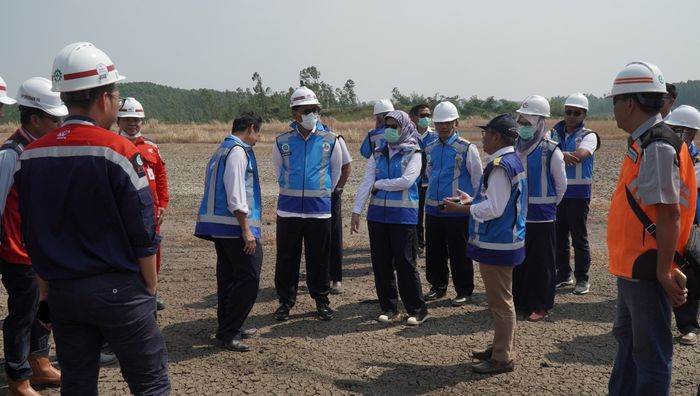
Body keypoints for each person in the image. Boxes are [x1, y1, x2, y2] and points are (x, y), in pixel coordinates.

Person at [17, 42, 170, 395]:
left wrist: (44, 292)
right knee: (150, 384)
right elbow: (143, 228)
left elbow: (32, 231)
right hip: (119, 289)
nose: (118, 104)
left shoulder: (32, 156)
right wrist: (150, 285)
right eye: (116, 96)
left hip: (63, 293)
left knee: (78, 383)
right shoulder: (119, 152)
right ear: (103, 99)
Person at [607, 61, 695, 396]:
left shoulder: (656, 145)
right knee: (629, 344)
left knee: (650, 355)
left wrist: (662, 272)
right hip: (634, 265)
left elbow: (670, 214)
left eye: (615, 99)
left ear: (629, 102)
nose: (614, 107)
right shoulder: (644, 140)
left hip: (646, 268)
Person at [442, 114, 526, 374]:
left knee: (500, 304)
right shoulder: (512, 161)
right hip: (504, 241)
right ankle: (501, 347)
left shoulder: (501, 165)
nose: (483, 138)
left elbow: (495, 208)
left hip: (498, 243)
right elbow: (495, 200)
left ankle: (502, 358)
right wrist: (471, 200)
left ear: (497, 136)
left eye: (486, 133)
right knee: (503, 301)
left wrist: (461, 209)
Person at [0, 77, 67, 395]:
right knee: (22, 314)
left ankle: (39, 362)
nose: (60, 123)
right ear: (35, 118)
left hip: (43, 251)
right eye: (56, 118)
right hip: (18, 253)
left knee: (44, 310)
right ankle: (18, 377)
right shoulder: (11, 154)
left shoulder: (42, 151)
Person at [351, 110, 429, 325]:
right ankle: (389, 307)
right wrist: (356, 211)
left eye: (394, 126)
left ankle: (417, 308)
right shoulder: (379, 152)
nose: (390, 130)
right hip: (378, 216)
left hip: (403, 217)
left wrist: (380, 184)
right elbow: (366, 181)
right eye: (387, 126)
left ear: (404, 127)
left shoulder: (414, 152)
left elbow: (406, 181)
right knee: (381, 263)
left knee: (405, 264)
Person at [195, 113, 264, 352]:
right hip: (234, 227)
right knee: (249, 277)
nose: (257, 138)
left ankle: (230, 325)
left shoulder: (221, 149)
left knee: (229, 278)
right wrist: (246, 229)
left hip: (220, 228)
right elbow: (236, 193)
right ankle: (229, 331)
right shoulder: (237, 151)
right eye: (258, 133)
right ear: (251, 128)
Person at [272, 86, 342, 321]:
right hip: (288, 210)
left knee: (319, 258)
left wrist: (322, 194)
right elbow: (279, 171)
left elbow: (336, 169)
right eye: (306, 110)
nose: (312, 114)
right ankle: (285, 302)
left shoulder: (331, 140)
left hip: (319, 211)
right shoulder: (281, 141)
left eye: (314, 109)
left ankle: (321, 300)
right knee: (286, 258)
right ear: (294, 114)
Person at [512, 95, 566, 322]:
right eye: (521, 122)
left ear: (539, 123)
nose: (523, 127)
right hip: (518, 215)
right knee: (519, 262)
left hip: (542, 218)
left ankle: (541, 305)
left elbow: (561, 184)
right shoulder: (516, 147)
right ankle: (520, 302)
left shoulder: (550, 150)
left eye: (527, 123)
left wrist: (549, 206)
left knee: (541, 263)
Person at [423, 101, 482, 305]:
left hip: (457, 209)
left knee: (460, 251)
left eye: (447, 123)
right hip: (433, 208)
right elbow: (430, 174)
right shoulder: (429, 147)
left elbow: (477, 179)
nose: (443, 126)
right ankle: (438, 286)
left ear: (456, 122)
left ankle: (464, 289)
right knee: (434, 250)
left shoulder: (467, 148)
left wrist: (471, 206)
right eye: (439, 123)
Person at [117, 97, 170, 310]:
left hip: (151, 213)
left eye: (137, 119)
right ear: (119, 121)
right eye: (128, 119)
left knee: (153, 253)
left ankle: (152, 293)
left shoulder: (151, 147)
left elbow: (161, 177)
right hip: (124, 214)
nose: (133, 123)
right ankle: (130, 295)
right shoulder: (113, 146)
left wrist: (163, 203)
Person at [550, 93, 599, 295]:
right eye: (568, 112)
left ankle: (582, 279)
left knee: (579, 238)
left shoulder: (589, 136)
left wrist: (555, 154)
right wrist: (562, 155)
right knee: (559, 237)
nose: (571, 116)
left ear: (584, 114)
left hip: (579, 195)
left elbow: (579, 156)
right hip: (557, 193)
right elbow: (540, 151)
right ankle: (563, 275)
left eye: (576, 113)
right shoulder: (553, 132)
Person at [665, 105, 700, 346]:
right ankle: (685, 324)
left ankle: (690, 324)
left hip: (694, 225)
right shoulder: (664, 154)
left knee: (694, 273)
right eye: (674, 130)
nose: (679, 136)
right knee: (679, 274)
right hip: (673, 225)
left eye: (683, 132)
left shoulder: (695, 159)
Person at [409, 104, 438, 255]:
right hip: (416, 183)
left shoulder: (436, 136)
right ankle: (418, 242)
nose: (426, 118)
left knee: (434, 214)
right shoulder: (409, 136)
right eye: (422, 115)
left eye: (428, 115)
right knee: (417, 214)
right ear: (413, 117)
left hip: (433, 182)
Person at [330, 132, 352, 294]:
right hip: (310, 197)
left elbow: (346, 165)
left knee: (334, 236)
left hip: (330, 195)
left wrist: (338, 188)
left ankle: (335, 278)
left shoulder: (334, 138)